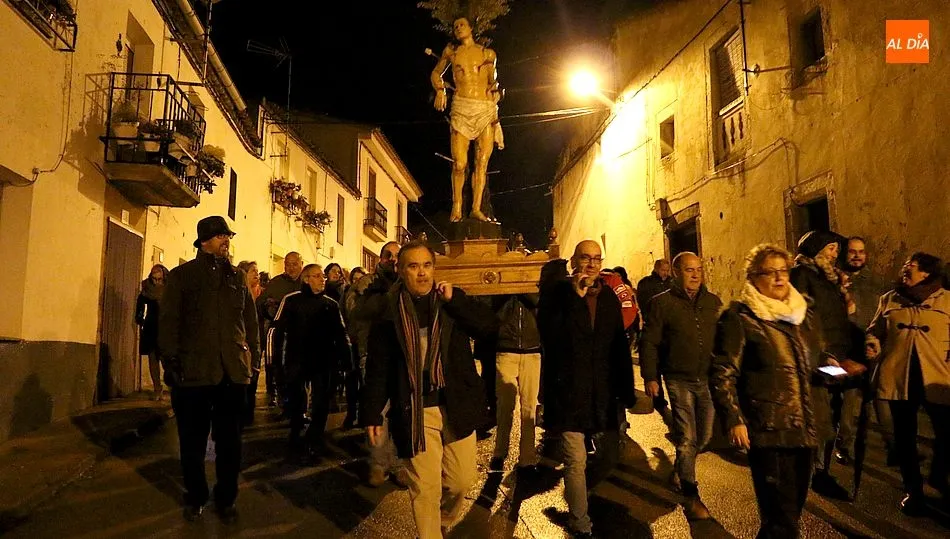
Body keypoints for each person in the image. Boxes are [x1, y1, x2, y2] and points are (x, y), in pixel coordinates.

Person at [361, 240, 499, 538]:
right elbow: (378, 367)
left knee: (461, 481)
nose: (422, 273)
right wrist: (372, 412)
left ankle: (442, 522)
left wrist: (455, 301)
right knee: (425, 488)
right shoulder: (388, 311)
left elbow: (489, 327)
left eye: (427, 265)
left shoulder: (450, 301)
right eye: (413, 266)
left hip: (456, 403)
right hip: (415, 408)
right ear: (401, 271)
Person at [711, 244, 831, 538]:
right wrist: (734, 418)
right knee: (781, 518)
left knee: (789, 514)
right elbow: (723, 372)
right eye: (769, 272)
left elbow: (814, 363)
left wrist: (836, 369)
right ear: (753, 278)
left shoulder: (803, 313)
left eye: (783, 271)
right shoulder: (740, 318)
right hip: (769, 429)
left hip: (805, 427)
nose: (779, 278)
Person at [158, 216, 259, 524]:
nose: (225, 241)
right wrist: (170, 362)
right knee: (193, 441)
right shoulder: (183, 276)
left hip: (232, 372)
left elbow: (250, 322)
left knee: (230, 442)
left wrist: (253, 360)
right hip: (194, 372)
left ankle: (226, 497)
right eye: (219, 236)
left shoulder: (237, 277)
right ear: (204, 241)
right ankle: (196, 495)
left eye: (227, 236)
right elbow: (169, 322)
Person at [538, 240, 636, 538]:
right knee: (575, 459)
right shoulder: (557, 294)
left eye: (597, 259)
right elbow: (550, 335)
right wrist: (575, 298)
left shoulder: (608, 297)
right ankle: (580, 522)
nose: (592, 264)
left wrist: (627, 390)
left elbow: (618, 345)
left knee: (609, 455)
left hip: (602, 393)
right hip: (569, 392)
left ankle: (577, 492)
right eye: (585, 258)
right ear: (574, 261)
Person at [639, 252, 722, 520]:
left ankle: (679, 469)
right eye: (689, 270)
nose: (696, 275)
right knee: (687, 438)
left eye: (698, 269)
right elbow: (650, 342)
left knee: (704, 437)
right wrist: (650, 377)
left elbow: (723, 340)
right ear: (676, 273)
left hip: (706, 378)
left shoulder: (712, 303)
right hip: (678, 379)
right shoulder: (661, 303)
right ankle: (690, 495)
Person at [866, 252, 950, 515]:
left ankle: (939, 475)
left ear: (926, 272)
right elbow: (875, 329)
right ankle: (913, 491)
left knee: (946, 433)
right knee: (904, 438)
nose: (905, 269)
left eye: (911, 266)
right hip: (899, 376)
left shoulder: (947, 300)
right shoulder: (889, 299)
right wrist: (872, 341)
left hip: (937, 376)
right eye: (904, 265)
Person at [789, 230, 857, 498]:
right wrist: (819, 355)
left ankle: (819, 469)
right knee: (822, 416)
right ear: (816, 249)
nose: (835, 254)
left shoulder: (828, 277)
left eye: (837, 250)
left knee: (834, 413)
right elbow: (800, 318)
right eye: (830, 248)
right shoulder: (801, 274)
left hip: (837, 353)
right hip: (818, 356)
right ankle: (817, 473)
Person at [269, 264, 352, 462]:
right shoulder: (291, 301)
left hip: (323, 361)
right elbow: (277, 330)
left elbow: (341, 334)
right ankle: (296, 432)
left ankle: (315, 437)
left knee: (321, 401)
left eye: (322, 276)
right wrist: (275, 361)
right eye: (317, 276)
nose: (322, 279)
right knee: (297, 398)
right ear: (306, 279)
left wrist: (346, 360)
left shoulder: (330, 305)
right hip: (297, 359)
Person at [430, 17, 504, 222]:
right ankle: (457, 207)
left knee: (482, 162)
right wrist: (440, 90)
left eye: (462, 24)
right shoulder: (451, 52)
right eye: (455, 26)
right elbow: (435, 73)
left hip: (483, 108)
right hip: (461, 108)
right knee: (460, 163)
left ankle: (476, 208)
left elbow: (493, 81)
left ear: (471, 28)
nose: (458, 28)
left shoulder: (487, 54)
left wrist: (496, 94)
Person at [347, 242, 409, 487]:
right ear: (380, 259)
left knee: (402, 409)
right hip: (373, 353)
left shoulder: (406, 282)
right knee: (378, 410)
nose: (392, 259)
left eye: (397, 255)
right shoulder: (368, 283)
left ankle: (399, 463)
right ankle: (378, 462)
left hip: (403, 355)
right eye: (387, 255)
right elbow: (355, 311)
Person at [839, 237, 895, 465]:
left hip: (874, 349)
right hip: (849, 351)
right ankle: (844, 445)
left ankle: (893, 447)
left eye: (861, 251)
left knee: (882, 400)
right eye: (852, 251)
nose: (857, 256)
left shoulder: (877, 282)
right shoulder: (837, 281)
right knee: (849, 402)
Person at [488, 292, 541, 474]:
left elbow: (538, 302)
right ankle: (499, 453)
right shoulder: (503, 292)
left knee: (529, 408)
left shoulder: (534, 284)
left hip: (532, 350)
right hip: (506, 349)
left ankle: (527, 457)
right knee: (504, 406)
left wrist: (522, 288)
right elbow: (493, 310)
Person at [258, 252, 304, 407]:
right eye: (287, 264)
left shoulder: (306, 282)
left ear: (301, 264)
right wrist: (268, 307)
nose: (291, 268)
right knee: (276, 365)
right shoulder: (276, 283)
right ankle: (278, 396)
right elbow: (261, 303)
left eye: (294, 264)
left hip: (301, 333)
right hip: (279, 332)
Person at [637, 259, 673, 416]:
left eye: (667, 270)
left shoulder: (672, 283)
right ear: (657, 269)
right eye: (663, 270)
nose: (666, 273)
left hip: (669, 331)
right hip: (654, 326)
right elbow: (644, 302)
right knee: (655, 365)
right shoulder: (646, 284)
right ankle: (658, 398)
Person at [136, 264, 169, 401]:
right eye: (154, 279)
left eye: (159, 279)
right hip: (152, 326)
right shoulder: (147, 288)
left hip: (166, 326)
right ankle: (157, 388)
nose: (156, 282)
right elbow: (140, 303)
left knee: (166, 360)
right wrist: (139, 317)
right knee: (153, 358)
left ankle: (172, 386)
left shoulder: (169, 288)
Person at [341, 266, 368, 429]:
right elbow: (344, 315)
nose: (358, 282)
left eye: (361, 278)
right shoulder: (348, 294)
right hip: (352, 342)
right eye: (355, 279)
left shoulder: (369, 296)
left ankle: (363, 415)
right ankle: (351, 414)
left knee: (365, 382)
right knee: (351, 380)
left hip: (365, 343)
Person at [238, 260, 263, 424]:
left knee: (253, 376)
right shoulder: (238, 294)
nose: (257, 274)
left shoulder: (261, 295)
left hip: (256, 340)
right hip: (242, 342)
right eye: (253, 271)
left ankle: (248, 416)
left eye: (257, 271)